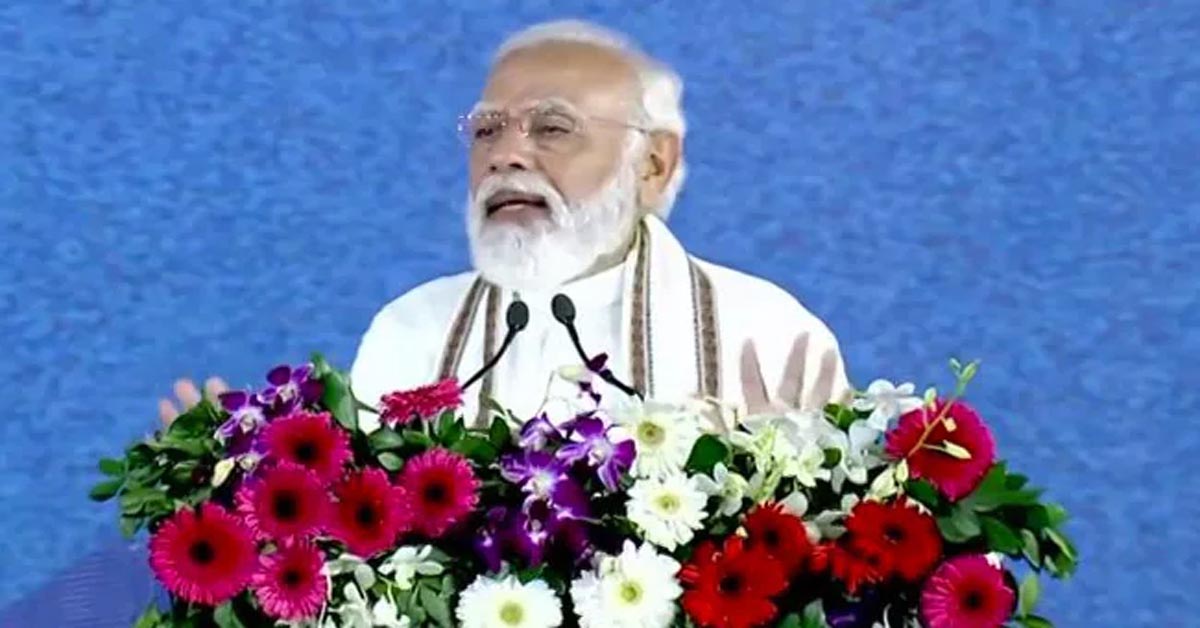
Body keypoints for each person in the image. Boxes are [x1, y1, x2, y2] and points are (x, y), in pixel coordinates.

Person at [160, 19, 851, 430]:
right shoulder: (412, 334)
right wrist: (250, 492)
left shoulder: (764, 335)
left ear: (653, 163)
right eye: (487, 130)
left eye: (552, 127)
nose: (505, 156)